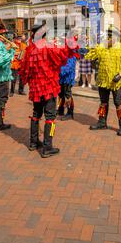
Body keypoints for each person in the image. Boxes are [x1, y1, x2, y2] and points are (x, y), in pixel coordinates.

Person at [19, 21, 77, 157]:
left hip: (35, 88)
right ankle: (47, 147)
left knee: (36, 114)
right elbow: (64, 55)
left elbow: (24, 70)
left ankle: (33, 142)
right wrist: (71, 38)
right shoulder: (49, 46)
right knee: (50, 117)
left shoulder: (30, 49)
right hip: (49, 87)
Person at [85, 26, 121, 136]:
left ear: (116, 37)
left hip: (116, 82)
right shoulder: (102, 47)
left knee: (118, 102)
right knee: (103, 101)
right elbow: (91, 55)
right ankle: (102, 122)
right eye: (108, 36)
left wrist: (120, 75)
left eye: (111, 36)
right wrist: (93, 59)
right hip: (103, 80)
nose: (109, 38)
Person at [58, 55, 77, 120]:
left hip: (68, 78)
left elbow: (69, 67)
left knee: (67, 95)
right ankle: (60, 110)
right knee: (61, 93)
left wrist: (60, 71)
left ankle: (70, 112)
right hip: (61, 77)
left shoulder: (71, 54)